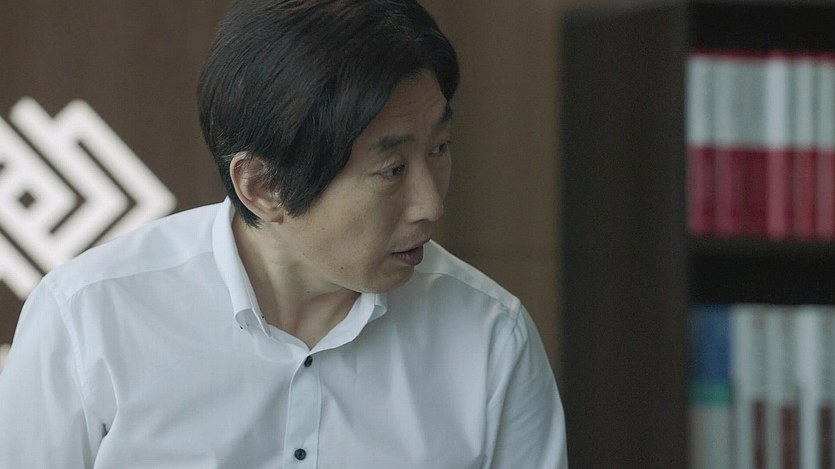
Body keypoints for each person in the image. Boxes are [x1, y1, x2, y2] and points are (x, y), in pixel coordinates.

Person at [0, 0, 568, 467]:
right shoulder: (90, 317)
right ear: (262, 186)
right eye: (392, 170)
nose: (431, 204)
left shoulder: (490, 337)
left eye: (439, 149)